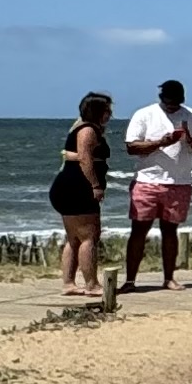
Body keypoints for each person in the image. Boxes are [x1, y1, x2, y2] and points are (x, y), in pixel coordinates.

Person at [122, 78, 192, 292]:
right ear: (161, 99)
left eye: (176, 103)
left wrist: (189, 139)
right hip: (147, 180)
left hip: (179, 181)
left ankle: (169, 278)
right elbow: (132, 147)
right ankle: (130, 280)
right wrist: (161, 143)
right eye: (168, 103)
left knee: (170, 231)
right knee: (139, 230)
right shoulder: (144, 114)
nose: (172, 107)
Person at [49, 93, 114, 298]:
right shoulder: (87, 130)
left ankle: (68, 283)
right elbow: (85, 159)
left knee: (74, 238)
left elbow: (74, 153)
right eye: (107, 110)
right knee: (89, 237)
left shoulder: (81, 126)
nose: (110, 114)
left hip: (67, 186)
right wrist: (95, 185)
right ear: (98, 112)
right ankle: (91, 284)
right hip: (77, 187)